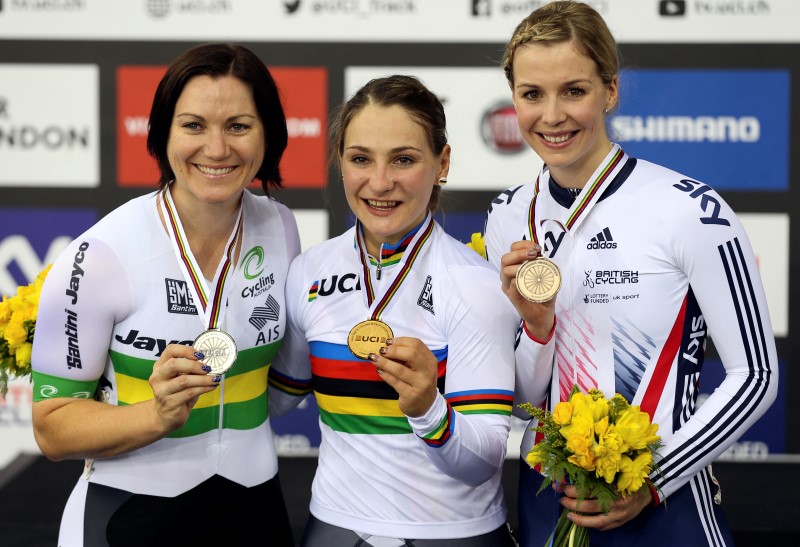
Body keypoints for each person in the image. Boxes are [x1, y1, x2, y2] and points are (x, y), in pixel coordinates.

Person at [484, 2, 779, 546]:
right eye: (532, 94)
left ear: (611, 91)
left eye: (574, 90)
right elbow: (516, 395)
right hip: (548, 499)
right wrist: (537, 328)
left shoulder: (689, 208)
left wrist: (653, 481)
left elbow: (756, 377)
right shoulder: (509, 215)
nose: (552, 115)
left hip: (665, 505)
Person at [30, 42, 299, 546]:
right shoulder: (100, 255)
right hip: (130, 515)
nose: (217, 149)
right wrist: (155, 415)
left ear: (269, 135)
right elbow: (52, 428)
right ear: (162, 134)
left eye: (238, 126)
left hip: (255, 508)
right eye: (193, 125)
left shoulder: (281, 227)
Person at [269, 75, 519, 546]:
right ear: (340, 163)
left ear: (442, 163)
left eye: (403, 160)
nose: (379, 183)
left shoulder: (474, 285)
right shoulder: (308, 272)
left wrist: (429, 409)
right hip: (333, 527)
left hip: (452, 534)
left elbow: (480, 464)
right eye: (360, 159)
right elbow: (274, 403)